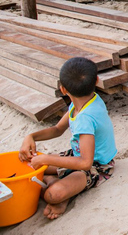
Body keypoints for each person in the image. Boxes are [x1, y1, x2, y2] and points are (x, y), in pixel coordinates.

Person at [19, 58, 117, 220]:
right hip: (77, 156)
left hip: (96, 166)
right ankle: (59, 183)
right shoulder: (83, 102)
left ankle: (61, 193)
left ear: (63, 89)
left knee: (52, 195)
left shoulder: (85, 117)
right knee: (30, 165)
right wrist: (31, 136)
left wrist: (46, 159)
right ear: (97, 81)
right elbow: (57, 129)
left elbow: (86, 163)